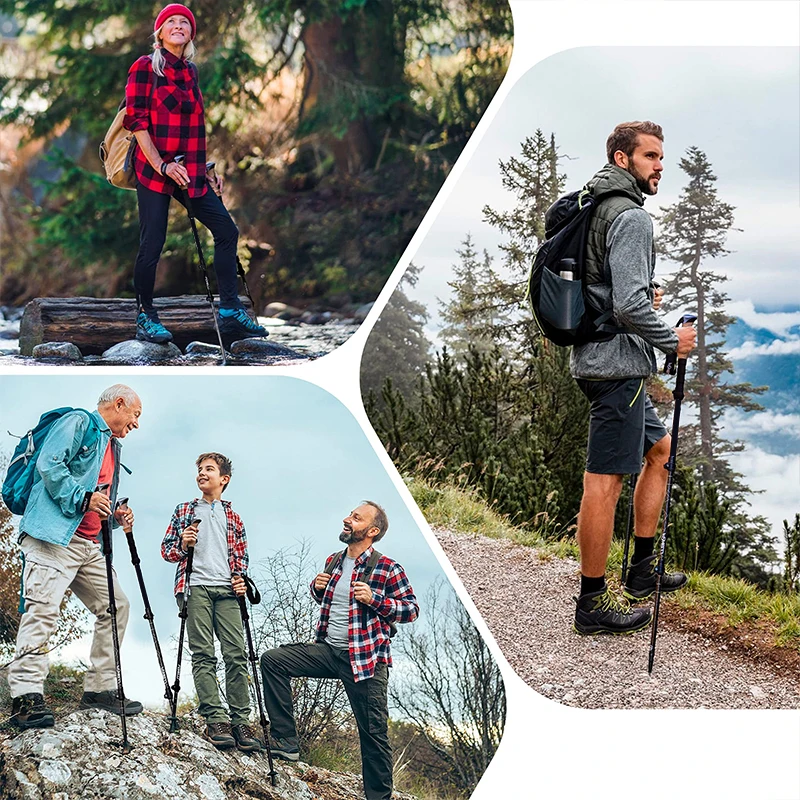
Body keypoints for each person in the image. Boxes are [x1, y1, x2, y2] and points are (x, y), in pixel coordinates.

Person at [571, 121, 697, 635]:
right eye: (650, 157)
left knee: (660, 452)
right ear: (623, 160)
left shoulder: (594, 204)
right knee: (604, 483)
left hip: (603, 359)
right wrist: (672, 339)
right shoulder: (630, 217)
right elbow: (626, 306)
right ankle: (592, 603)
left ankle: (642, 570)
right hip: (616, 368)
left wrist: (644, 295)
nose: (659, 166)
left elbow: (612, 289)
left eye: (662, 157)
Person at [123, 4, 266, 345]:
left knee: (226, 230)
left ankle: (230, 311)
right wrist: (162, 164)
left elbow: (192, 127)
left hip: (190, 171)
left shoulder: (190, 71)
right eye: (170, 22)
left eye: (184, 22)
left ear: (190, 34)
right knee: (152, 242)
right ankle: (145, 315)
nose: (178, 26)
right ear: (159, 33)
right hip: (155, 169)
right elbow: (136, 121)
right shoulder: (145, 67)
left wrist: (207, 169)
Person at [260, 502, 419, 800]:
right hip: (329, 651)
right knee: (273, 660)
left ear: (372, 531)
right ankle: (286, 743)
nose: (347, 519)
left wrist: (375, 599)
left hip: (366, 661)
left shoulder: (388, 568)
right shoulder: (333, 561)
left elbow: (411, 610)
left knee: (373, 735)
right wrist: (317, 588)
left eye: (356, 518)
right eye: (350, 514)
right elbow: (330, 603)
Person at [8, 385, 144, 729]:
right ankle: (25, 697)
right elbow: (49, 464)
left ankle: (100, 689)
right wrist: (83, 498)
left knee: (116, 606)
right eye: (135, 415)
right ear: (119, 404)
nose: (136, 424)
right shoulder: (78, 422)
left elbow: (95, 500)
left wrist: (114, 514)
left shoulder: (112, 446)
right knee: (42, 610)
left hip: (87, 545)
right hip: (51, 538)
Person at [161, 452, 261, 752]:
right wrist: (183, 544)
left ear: (224, 479)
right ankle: (215, 719)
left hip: (228, 591)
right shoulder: (184, 511)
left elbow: (241, 556)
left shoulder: (233, 516)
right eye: (199, 470)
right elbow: (167, 551)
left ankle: (241, 721)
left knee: (236, 653)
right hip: (195, 587)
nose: (202, 474)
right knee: (203, 654)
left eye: (209, 470)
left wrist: (241, 577)